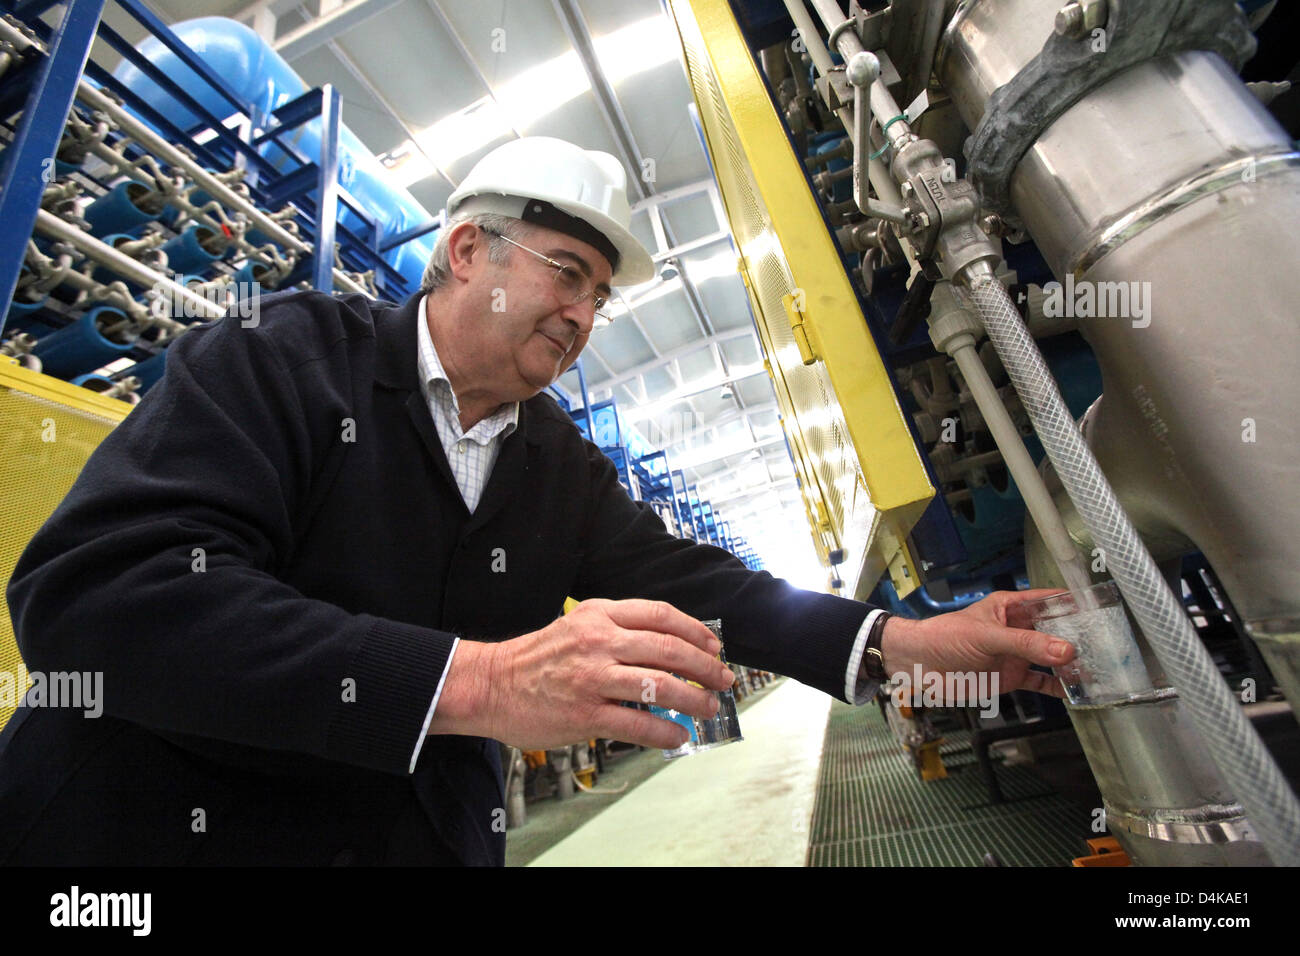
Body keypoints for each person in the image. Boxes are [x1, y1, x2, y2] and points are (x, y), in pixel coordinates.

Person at [0, 137, 1074, 866]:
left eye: (599, 295)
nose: (583, 313)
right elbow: (100, 593)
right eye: (566, 273)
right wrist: (479, 676)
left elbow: (699, 583)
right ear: (467, 251)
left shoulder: (551, 455)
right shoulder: (276, 359)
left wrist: (899, 640)